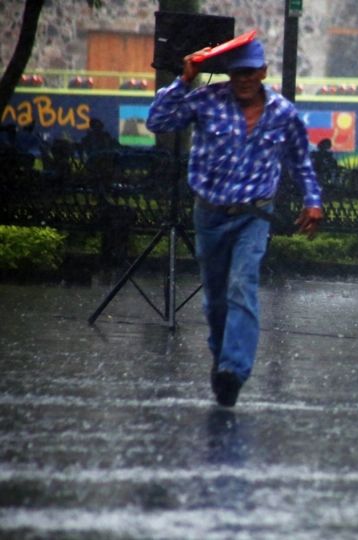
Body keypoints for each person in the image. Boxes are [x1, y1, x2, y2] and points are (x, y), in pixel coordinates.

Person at [146, 38, 324, 407]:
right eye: (237, 72)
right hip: (210, 213)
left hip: (253, 216)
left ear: (263, 72)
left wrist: (313, 201)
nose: (244, 79)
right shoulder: (206, 100)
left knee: (243, 285)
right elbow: (158, 121)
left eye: (250, 72)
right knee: (216, 300)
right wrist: (183, 80)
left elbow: (300, 160)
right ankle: (222, 355)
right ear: (229, 73)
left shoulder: (283, 112)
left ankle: (234, 371)